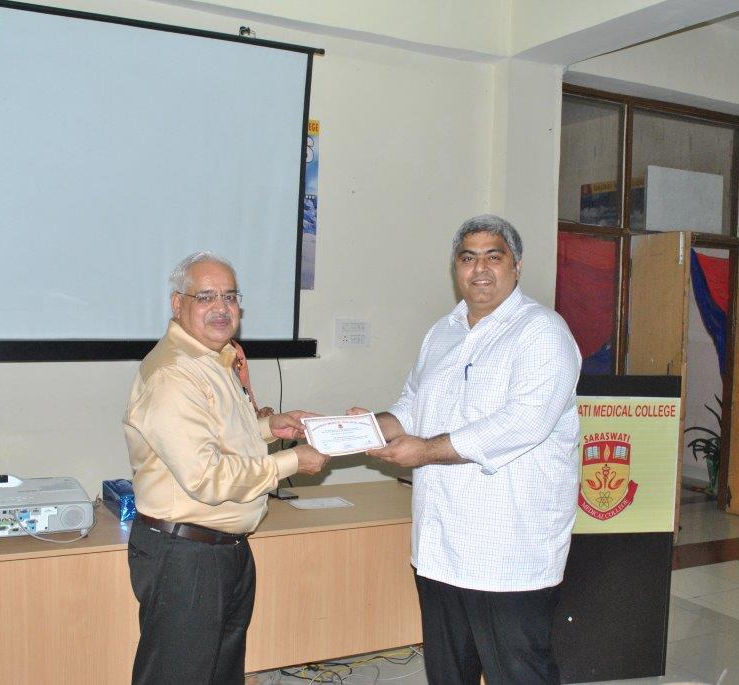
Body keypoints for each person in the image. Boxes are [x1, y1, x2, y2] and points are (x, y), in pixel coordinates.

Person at [350, 215, 581, 685]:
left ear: (516, 265)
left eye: (494, 257)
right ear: (455, 268)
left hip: (507, 549)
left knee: (519, 673)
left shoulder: (542, 332)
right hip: (440, 545)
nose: (480, 269)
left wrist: (424, 452)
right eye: (468, 258)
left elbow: (523, 422)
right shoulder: (443, 332)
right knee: (447, 673)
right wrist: (369, 428)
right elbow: (413, 406)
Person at [123, 251, 329, 685]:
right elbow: (207, 476)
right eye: (206, 297)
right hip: (186, 558)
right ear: (177, 304)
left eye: (230, 296)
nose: (222, 308)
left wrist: (270, 427)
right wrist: (292, 460)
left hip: (220, 551)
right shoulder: (173, 374)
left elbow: (221, 437)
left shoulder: (213, 360)